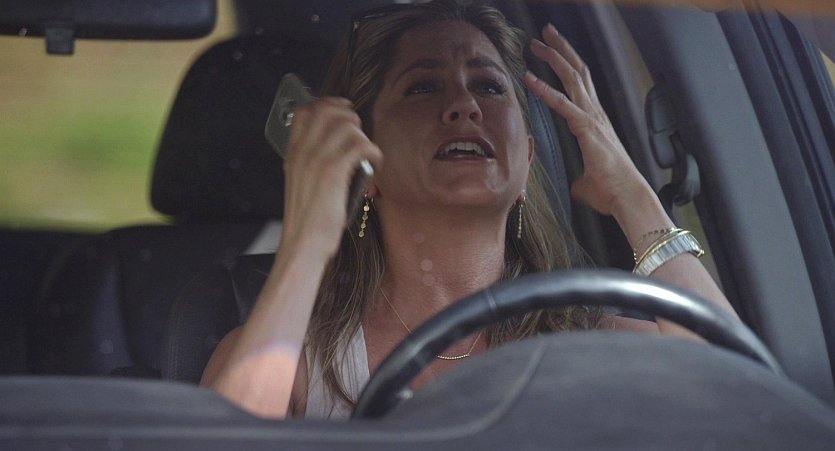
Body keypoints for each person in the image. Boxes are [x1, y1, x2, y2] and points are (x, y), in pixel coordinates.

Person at [201, 0, 736, 420]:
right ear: (364, 158)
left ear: (527, 160)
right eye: (423, 87)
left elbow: (744, 407)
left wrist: (631, 194)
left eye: (488, 85)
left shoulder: (597, 347)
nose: (463, 106)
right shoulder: (295, 363)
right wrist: (309, 237)